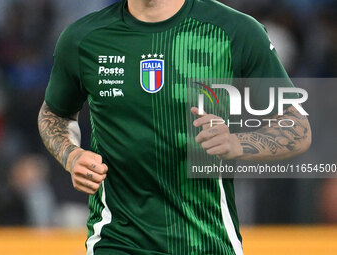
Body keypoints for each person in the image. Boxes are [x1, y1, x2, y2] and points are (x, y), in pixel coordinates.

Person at [38, 0, 311, 254]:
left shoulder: (235, 31)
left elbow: (297, 128)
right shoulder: (84, 37)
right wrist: (71, 155)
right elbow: (55, 114)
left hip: (208, 242)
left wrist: (238, 143)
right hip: (116, 240)